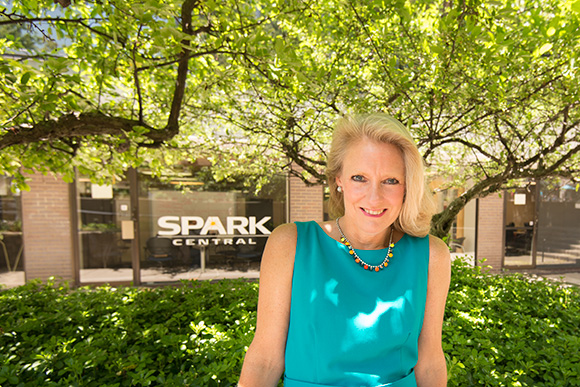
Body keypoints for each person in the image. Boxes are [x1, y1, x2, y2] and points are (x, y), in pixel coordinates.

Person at [239, 114, 451, 387]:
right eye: (359, 177)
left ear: (408, 186)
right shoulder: (290, 244)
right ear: (338, 179)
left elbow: (430, 360)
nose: (374, 197)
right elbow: (265, 359)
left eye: (390, 181)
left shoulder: (432, 255)